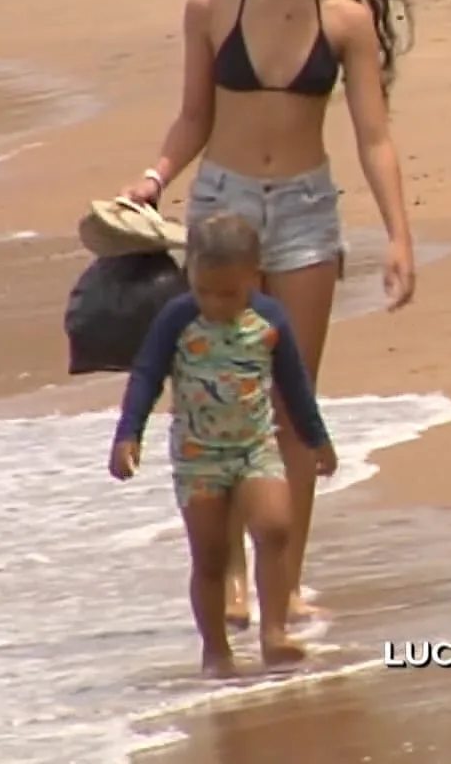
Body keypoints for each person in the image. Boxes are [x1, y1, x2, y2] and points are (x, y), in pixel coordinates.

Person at [121, 0, 426, 623]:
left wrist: (399, 235)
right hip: (221, 213)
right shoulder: (211, 5)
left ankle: (281, 581)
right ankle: (222, 573)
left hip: (304, 215)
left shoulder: (345, 18)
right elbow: (194, 114)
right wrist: (154, 179)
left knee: (291, 400)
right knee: (219, 395)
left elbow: (375, 136)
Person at [108, 213, 339, 677]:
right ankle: (215, 649)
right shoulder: (177, 317)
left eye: (229, 293)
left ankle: (274, 632)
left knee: (275, 528)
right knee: (210, 554)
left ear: (254, 277)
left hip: (256, 445)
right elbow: (147, 375)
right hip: (199, 457)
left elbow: (294, 385)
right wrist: (129, 433)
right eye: (204, 290)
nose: (215, 303)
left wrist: (317, 439)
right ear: (190, 272)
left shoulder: (270, 319)